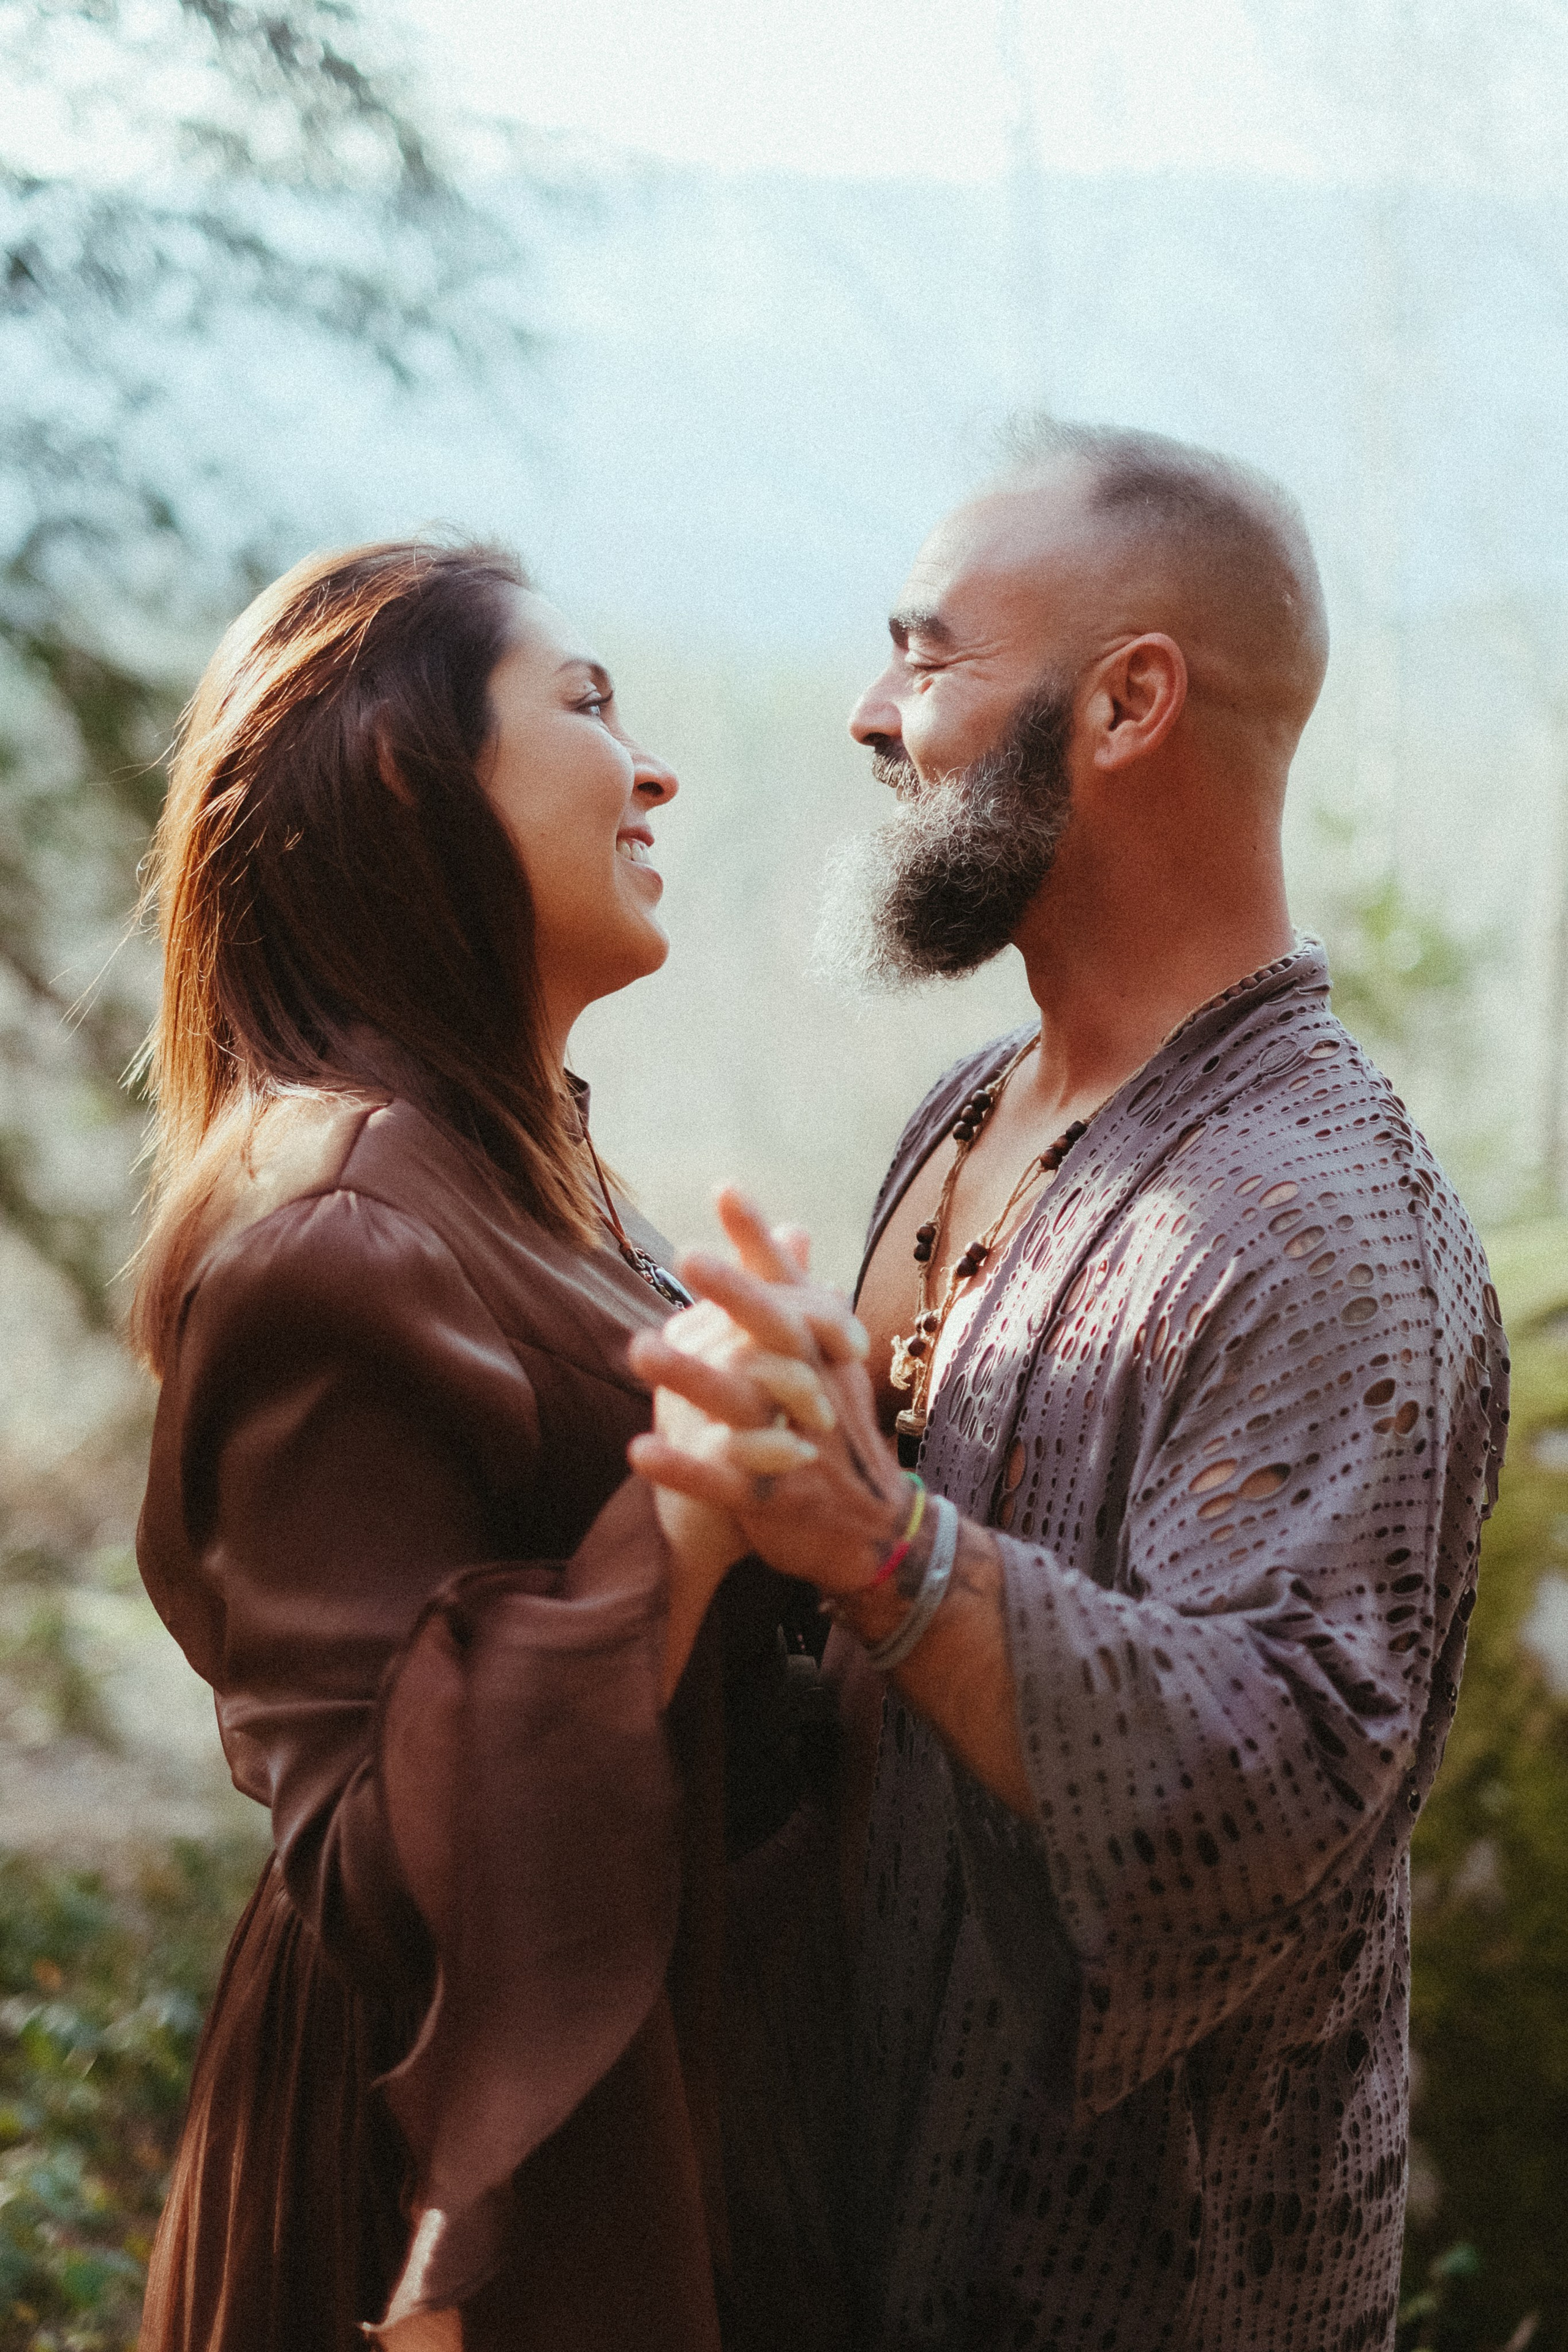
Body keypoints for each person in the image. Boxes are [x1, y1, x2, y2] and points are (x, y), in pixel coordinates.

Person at [628, 423, 1511, 2352]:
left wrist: (884, 1551)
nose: (874, 713)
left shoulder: (1317, 1220)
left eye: (929, 654)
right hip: (857, 2229)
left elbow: (1276, 1774)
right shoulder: (978, 1111)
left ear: (1127, 704)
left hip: (1159, 2288)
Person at [128, 538, 862, 2351]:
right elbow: (372, 1867)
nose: (656, 769)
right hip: (426, 2213)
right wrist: (679, 1532)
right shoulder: (337, 1233)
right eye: (589, 705)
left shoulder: (515, 1172)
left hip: (648, 2127)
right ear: (404, 771)